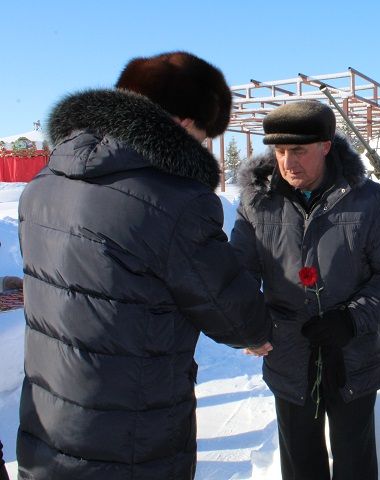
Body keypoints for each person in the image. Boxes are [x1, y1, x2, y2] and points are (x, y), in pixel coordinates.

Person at [16, 51, 269, 479]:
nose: (205, 146)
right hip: (131, 435)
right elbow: (232, 312)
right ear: (185, 123)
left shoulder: (43, 184)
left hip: (48, 427)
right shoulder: (175, 200)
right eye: (206, 135)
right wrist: (263, 331)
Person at [231, 100, 380, 480]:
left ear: (326, 146)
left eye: (298, 150)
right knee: (300, 463)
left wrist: (352, 318)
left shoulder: (368, 200)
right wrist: (247, 323)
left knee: (354, 460)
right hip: (289, 354)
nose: (287, 162)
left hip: (353, 356)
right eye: (280, 151)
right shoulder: (258, 203)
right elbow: (239, 275)